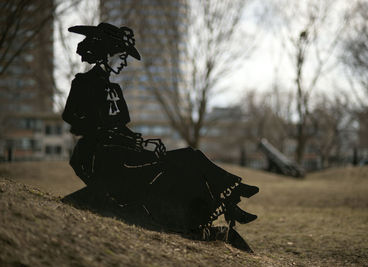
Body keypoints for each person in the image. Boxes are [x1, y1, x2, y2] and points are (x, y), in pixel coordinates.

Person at [63, 22, 258, 250]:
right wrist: (132, 142)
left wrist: (141, 142)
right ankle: (229, 198)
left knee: (189, 156)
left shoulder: (115, 90)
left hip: (121, 151)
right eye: (122, 56)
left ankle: (228, 201)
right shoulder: (83, 83)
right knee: (176, 164)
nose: (125, 62)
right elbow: (77, 122)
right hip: (98, 157)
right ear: (107, 53)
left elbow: (120, 128)